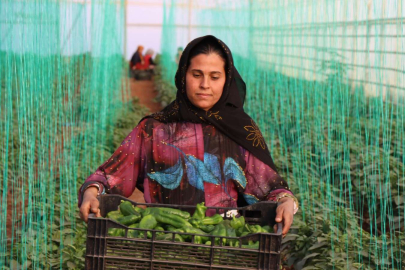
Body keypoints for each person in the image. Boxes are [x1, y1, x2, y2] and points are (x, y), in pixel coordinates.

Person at [78, 35, 298, 236]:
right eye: (197, 74)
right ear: (183, 76)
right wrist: (92, 192)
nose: (205, 85)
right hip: (162, 240)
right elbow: (112, 175)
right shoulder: (154, 129)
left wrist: (285, 201)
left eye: (214, 77)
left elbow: (269, 186)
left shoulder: (242, 131)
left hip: (222, 241)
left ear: (226, 80)